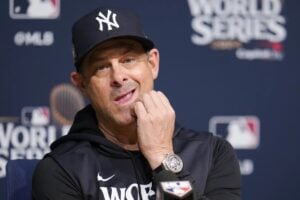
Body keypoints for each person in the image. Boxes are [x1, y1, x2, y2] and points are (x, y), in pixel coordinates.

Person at [32, 7, 241, 200]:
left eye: (128, 59)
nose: (118, 76)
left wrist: (163, 158)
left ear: (153, 64)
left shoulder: (211, 153)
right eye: (102, 67)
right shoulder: (63, 170)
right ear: (82, 85)